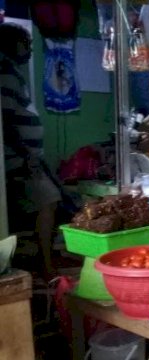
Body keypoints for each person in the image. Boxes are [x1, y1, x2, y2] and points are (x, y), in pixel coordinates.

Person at [1, 23, 61, 278]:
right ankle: (45, 266)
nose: (29, 49)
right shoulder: (5, 72)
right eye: (26, 43)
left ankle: (38, 260)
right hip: (17, 158)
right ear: (12, 44)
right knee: (48, 200)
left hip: (23, 156)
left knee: (43, 202)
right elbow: (4, 119)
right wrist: (26, 154)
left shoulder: (11, 72)